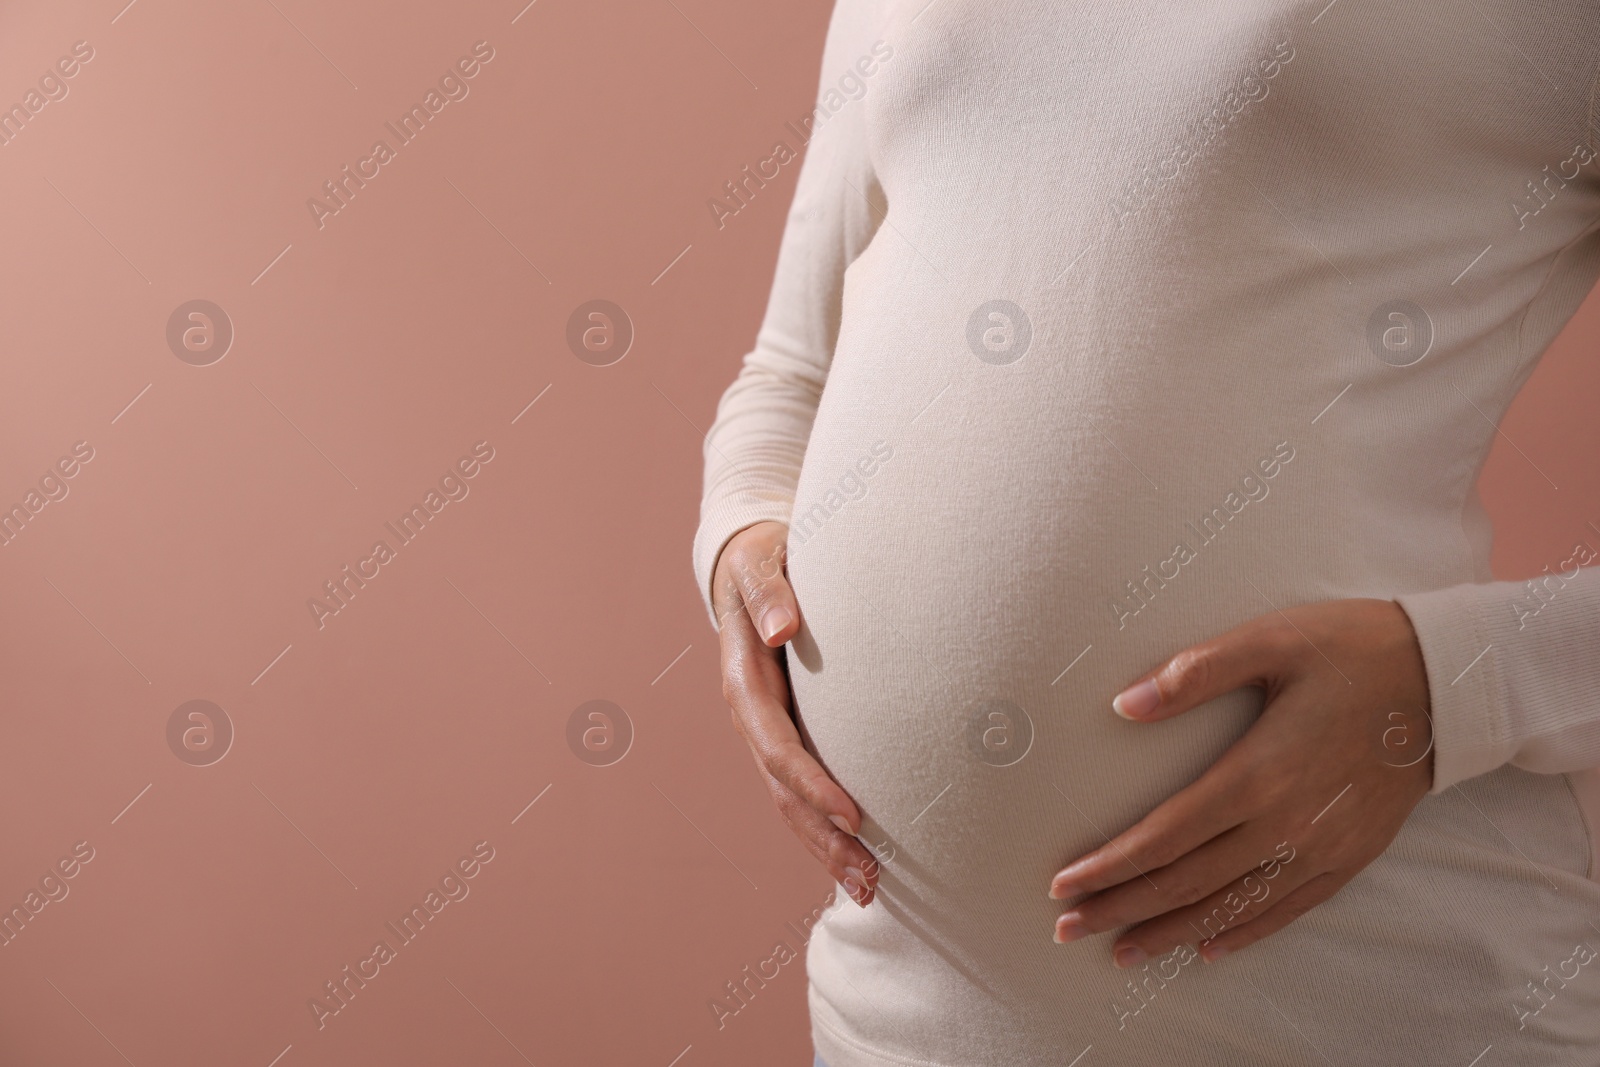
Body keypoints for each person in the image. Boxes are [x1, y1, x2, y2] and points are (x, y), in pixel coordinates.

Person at [693, 2, 1600, 1063]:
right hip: (909, 1002)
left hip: (1367, 990)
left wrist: (1454, 687)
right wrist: (737, 548)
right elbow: (787, 371)